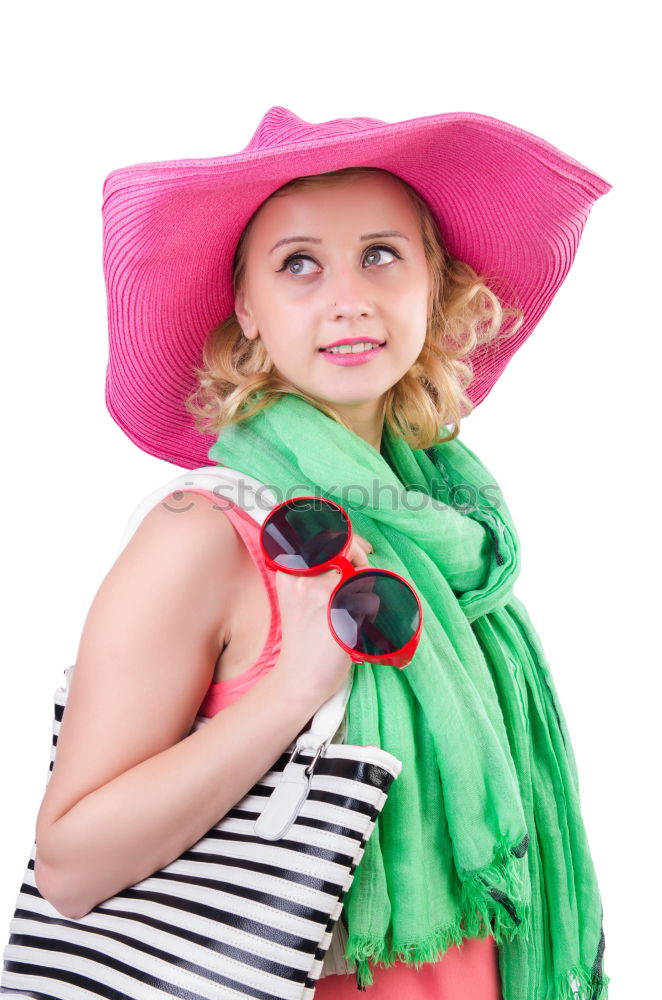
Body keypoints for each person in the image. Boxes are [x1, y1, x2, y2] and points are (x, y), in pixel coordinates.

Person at [30, 107, 611, 999]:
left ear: (436, 290)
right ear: (246, 311)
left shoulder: (458, 543)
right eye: (298, 264)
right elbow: (71, 868)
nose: (349, 297)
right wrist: (294, 691)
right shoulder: (203, 533)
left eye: (382, 255)